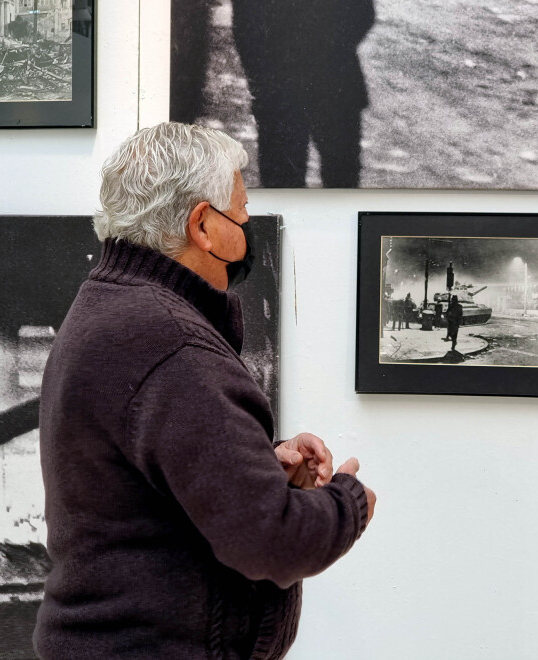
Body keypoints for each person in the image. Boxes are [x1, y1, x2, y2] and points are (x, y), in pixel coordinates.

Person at [34, 123, 376, 659]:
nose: (246, 229)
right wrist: (349, 502)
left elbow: (150, 479)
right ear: (203, 226)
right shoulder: (170, 342)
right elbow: (272, 540)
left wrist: (258, 464)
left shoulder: (110, 306)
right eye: (240, 215)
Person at [230, 0, 375, 188]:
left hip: (282, 86)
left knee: (286, 186)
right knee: (338, 182)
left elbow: (246, 26)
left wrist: (261, 78)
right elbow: (362, 15)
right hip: (332, 82)